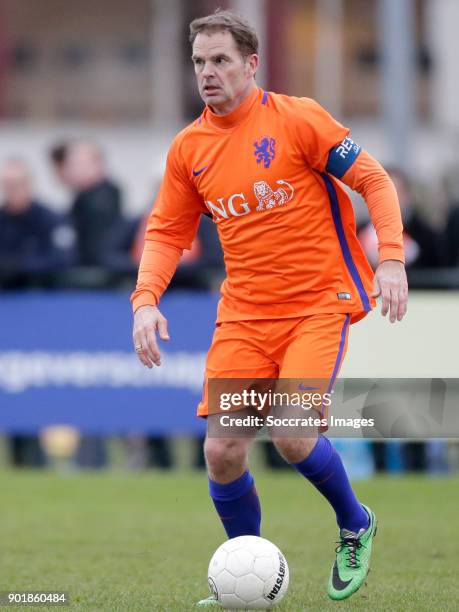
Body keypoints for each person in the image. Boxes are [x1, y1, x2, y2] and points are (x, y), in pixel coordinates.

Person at [131, 10, 407, 604]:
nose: (208, 72)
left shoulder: (297, 118)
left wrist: (390, 259)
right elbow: (165, 232)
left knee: (290, 433)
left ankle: (355, 522)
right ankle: (247, 577)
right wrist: (145, 301)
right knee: (223, 452)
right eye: (200, 62)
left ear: (251, 64)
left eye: (221, 60)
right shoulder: (189, 149)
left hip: (316, 305)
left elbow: (375, 180)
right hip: (245, 316)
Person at [50, 140, 136, 272]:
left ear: (96, 165)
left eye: (76, 164)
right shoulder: (85, 197)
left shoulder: (100, 202)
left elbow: (94, 250)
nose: (71, 169)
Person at [0, 158, 75, 287]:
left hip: (42, 291)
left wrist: (20, 265)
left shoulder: (51, 219)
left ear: (28, 184)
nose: (13, 191)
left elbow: (64, 258)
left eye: (17, 184)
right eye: (8, 185)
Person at [358, 166, 445, 269]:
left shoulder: (427, 237)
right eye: (380, 193)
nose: (387, 198)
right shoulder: (358, 233)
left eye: (395, 191)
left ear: (407, 196)